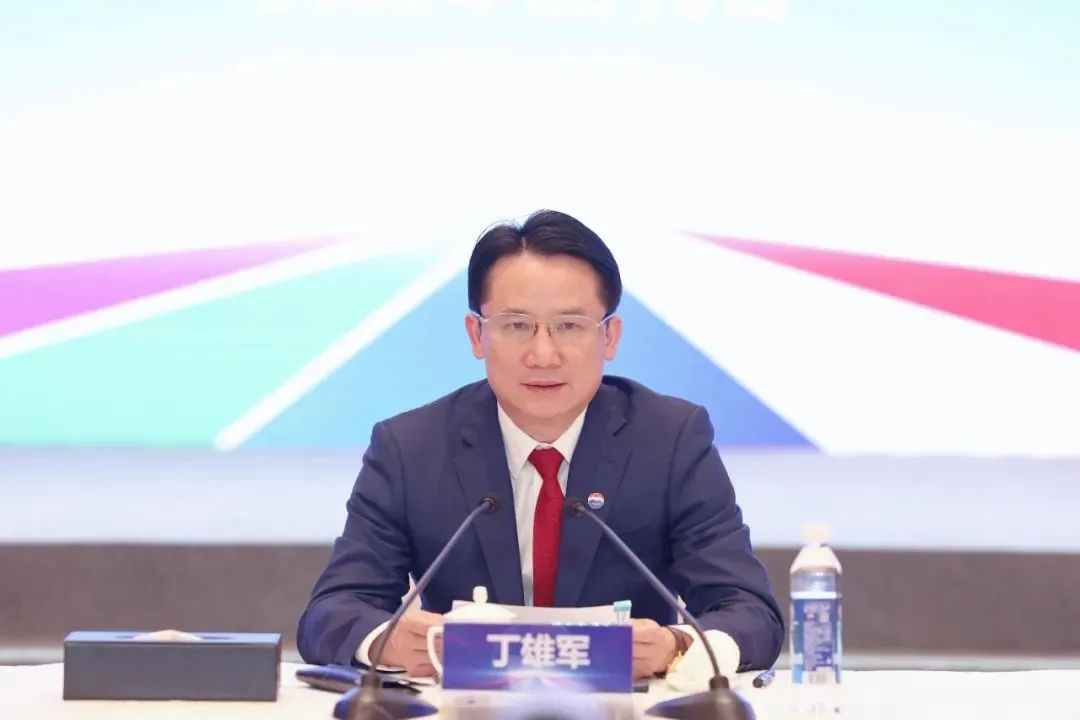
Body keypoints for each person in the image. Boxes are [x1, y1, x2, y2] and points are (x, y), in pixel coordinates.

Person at [297, 210, 783, 680]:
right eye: (516, 325)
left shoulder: (670, 439)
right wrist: (389, 640)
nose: (543, 354)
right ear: (477, 335)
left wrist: (675, 647)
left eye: (569, 326)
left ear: (610, 337)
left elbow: (750, 613)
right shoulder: (409, 448)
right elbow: (330, 614)